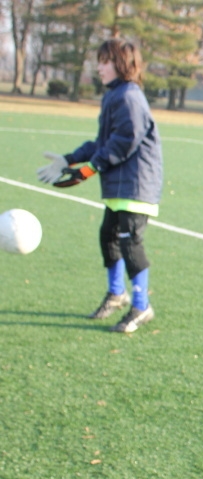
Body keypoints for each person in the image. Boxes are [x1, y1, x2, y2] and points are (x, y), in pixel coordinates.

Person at [37, 38, 163, 333]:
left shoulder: (129, 96)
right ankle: (117, 294)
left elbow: (125, 140)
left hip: (135, 185)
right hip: (119, 186)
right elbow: (103, 142)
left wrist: (90, 168)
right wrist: (70, 159)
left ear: (122, 64)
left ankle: (142, 306)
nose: (99, 67)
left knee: (130, 243)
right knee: (108, 237)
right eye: (100, 60)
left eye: (105, 61)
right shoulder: (114, 96)